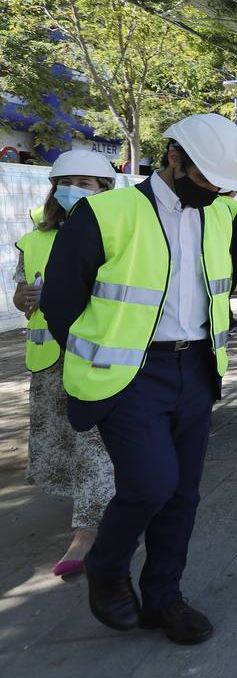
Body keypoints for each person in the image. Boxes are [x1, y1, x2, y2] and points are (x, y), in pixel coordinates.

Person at [41, 113, 237, 645]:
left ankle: (165, 598)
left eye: (221, 185)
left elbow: (224, 281)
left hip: (197, 367)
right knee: (150, 483)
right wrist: (100, 359)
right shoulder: (105, 212)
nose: (213, 192)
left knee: (183, 493)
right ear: (173, 158)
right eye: (205, 180)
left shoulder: (223, 215)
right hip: (130, 374)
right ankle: (108, 567)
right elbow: (62, 302)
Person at [14, 150, 118, 579]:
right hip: (50, 362)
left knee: (94, 442)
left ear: (106, 191)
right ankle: (96, 510)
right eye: (66, 181)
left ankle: (86, 531)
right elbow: (22, 296)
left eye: (86, 183)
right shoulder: (36, 238)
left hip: (98, 357)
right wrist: (25, 300)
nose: (72, 189)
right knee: (67, 445)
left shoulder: (118, 233)